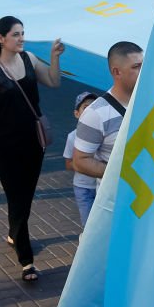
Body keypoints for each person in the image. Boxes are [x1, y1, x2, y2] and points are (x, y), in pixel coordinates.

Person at [0, 16, 64, 281]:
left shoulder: (29, 59)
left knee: (26, 194)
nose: (21, 38)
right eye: (16, 34)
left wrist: (54, 56)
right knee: (16, 196)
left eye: (22, 33)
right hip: (5, 144)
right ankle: (26, 260)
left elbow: (53, 81)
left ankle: (15, 232)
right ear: (1, 38)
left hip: (33, 142)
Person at [72, 42, 144, 197]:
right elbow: (80, 161)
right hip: (121, 203)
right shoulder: (95, 114)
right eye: (136, 66)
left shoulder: (152, 100)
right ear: (117, 72)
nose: (143, 71)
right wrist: (124, 176)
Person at [63, 92, 98, 226]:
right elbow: (68, 164)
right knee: (88, 224)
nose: (90, 111)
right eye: (86, 107)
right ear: (77, 114)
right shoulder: (72, 137)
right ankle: (88, 246)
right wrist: (86, 164)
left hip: (101, 186)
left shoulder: (104, 135)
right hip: (83, 188)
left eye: (94, 107)